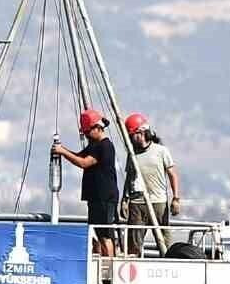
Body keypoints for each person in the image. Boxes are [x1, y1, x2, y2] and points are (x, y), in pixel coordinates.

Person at [52, 108, 120, 258]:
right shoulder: (93, 146)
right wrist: (62, 150)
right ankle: (100, 264)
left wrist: (62, 152)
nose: (87, 135)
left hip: (104, 197)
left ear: (98, 128)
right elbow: (78, 156)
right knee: (96, 233)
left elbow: (84, 162)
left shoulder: (105, 146)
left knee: (105, 234)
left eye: (88, 131)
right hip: (94, 197)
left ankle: (110, 268)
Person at [121, 113, 182, 255]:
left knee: (164, 242)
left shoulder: (161, 151)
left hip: (158, 202)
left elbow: (172, 174)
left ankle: (168, 265)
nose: (131, 139)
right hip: (137, 204)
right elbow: (129, 177)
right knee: (134, 244)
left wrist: (176, 198)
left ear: (141, 133)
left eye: (133, 135)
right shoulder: (132, 154)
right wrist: (125, 199)